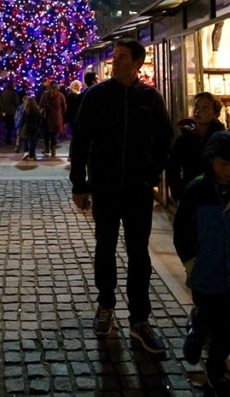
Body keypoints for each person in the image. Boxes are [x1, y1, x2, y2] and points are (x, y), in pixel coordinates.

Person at [70, 38, 174, 354]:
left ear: (137, 63)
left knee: (138, 253)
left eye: (122, 57)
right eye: (114, 56)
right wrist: (79, 185)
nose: (115, 61)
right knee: (105, 247)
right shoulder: (96, 95)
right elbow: (80, 141)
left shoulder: (150, 98)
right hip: (105, 187)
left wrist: (151, 174)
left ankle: (139, 318)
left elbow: (165, 139)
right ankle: (106, 305)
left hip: (137, 190)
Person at [173, 130, 230, 397]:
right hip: (205, 268)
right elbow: (182, 230)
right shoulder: (197, 190)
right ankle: (197, 331)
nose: (229, 171)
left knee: (224, 324)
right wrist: (191, 261)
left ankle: (216, 368)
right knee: (206, 310)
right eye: (223, 164)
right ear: (211, 160)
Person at [165, 92, 226, 202]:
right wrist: (177, 190)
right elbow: (172, 166)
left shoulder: (221, 139)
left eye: (205, 108)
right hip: (190, 192)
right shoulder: (184, 138)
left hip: (217, 195)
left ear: (216, 115)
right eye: (196, 106)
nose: (198, 111)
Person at [39, 81, 66, 157]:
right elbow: (64, 107)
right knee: (54, 135)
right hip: (56, 117)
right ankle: (53, 150)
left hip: (47, 117)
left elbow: (40, 105)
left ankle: (46, 148)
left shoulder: (45, 95)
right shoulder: (60, 95)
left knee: (46, 134)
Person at [17, 96, 42, 161]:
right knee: (33, 142)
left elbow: (22, 121)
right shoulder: (37, 111)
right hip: (34, 128)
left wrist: (20, 128)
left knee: (25, 141)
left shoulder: (25, 111)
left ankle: (26, 152)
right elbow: (39, 120)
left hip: (26, 128)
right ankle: (32, 154)